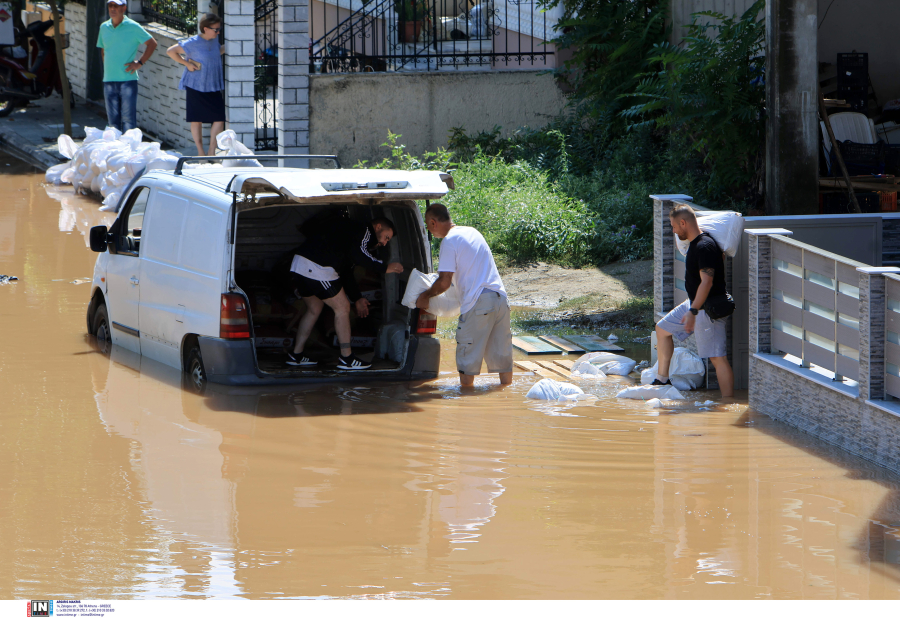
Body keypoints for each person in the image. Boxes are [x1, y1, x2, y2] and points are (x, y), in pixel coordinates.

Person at [288, 217, 403, 370]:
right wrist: (385, 267)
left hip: (300, 264)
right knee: (342, 309)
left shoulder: (350, 236)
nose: (384, 242)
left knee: (314, 309)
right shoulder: (364, 230)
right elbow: (360, 255)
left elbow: (346, 272)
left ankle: (296, 355)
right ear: (378, 227)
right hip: (317, 268)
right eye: (386, 237)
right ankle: (346, 358)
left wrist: (357, 298)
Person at [416, 203, 512, 387]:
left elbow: (444, 282)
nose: (430, 231)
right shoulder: (472, 232)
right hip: (501, 299)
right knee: (503, 359)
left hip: (479, 303)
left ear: (433, 222)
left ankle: (466, 400)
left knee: (467, 361)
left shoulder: (449, 241)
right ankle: (505, 397)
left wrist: (425, 296)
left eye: (429, 226)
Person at [654, 204, 734, 397]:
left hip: (707, 309)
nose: (673, 230)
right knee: (662, 329)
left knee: (717, 358)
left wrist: (694, 311)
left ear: (683, 223)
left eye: (674, 226)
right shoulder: (697, 243)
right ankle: (662, 379)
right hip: (695, 304)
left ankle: (728, 403)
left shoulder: (704, 246)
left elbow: (707, 282)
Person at [166, 14, 226, 157]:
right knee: (196, 119)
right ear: (205, 29)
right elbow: (170, 51)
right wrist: (187, 64)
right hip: (195, 85)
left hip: (212, 84)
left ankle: (211, 151)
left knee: (219, 118)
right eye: (216, 30)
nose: (218, 32)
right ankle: (201, 153)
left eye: (219, 30)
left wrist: (233, 45)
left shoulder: (214, 40)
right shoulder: (192, 42)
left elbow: (216, 52)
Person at [96, 0, 157, 132]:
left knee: (128, 121)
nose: (112, 9)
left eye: (116, 6)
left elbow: (152, 43)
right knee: (113, 123)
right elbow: (103, 50)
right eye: (110, 6)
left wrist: (139, 63)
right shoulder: (103, 27)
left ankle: (129, 150)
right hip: (109, 81)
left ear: (124, 8)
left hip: (128, 80)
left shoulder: (133, 26)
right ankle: (117, 150)